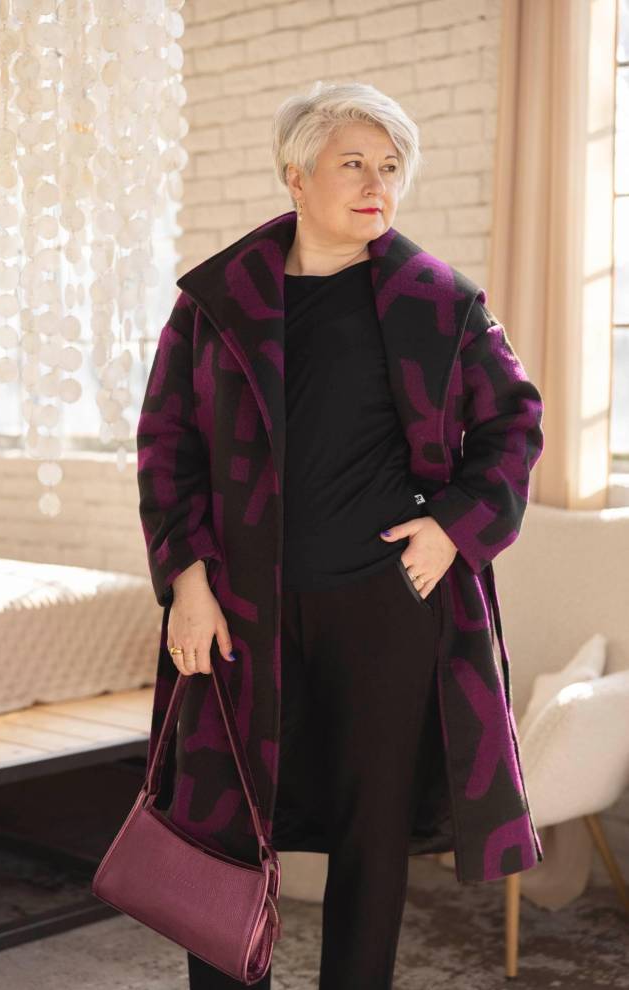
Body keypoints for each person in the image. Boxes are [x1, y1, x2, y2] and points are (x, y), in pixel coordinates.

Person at [136, 80, 545, 990]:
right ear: (296, 175)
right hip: (238, 608)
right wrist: (187, 582)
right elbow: (167, 446)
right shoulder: (214, 304)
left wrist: (453, 530)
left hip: (387, 605)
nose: (376, 184)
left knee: (373, 836)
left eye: (391, 167)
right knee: (222, 820)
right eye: (352, 162)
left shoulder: (441, 301)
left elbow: (515, 424)